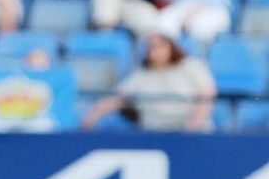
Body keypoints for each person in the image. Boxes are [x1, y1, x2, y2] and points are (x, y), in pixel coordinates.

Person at [81, 31, 216, 133]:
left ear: (170, 47)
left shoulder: (190, 66)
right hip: (154, 135)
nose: (152, 51)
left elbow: (206, 95)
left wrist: (192, 127)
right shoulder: (141, 74)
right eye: (149, 47)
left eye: (157, 46)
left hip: (189, 133)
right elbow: (118, 99)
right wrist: (93, 115)